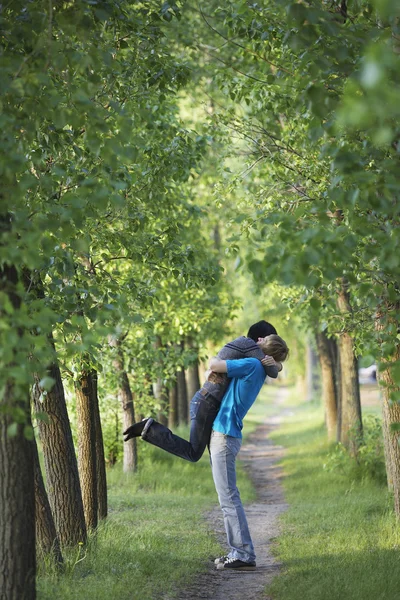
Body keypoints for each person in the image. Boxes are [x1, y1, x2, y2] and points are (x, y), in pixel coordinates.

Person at [123, 320, 281, 462]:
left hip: (208, 401)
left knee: (215, 454)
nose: (271, 346)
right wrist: (276, 364)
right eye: (270, 340)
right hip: (207, 402)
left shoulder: (245, 348)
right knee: (194, 453)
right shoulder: (251, 347)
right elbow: (273, 372)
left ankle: (149, 429)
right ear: (260, 339)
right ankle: (150, 429)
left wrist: (277, 364)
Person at [209, 336, 289, 572]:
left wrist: (222, 351)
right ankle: (237, 551)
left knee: (228, 498)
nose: (259, 338)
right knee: (227, 497)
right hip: (226, 434)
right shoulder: (259, 368)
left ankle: (243, 553)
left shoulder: (252, 365)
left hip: (224, 435)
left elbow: (215, 365)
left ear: (266, 347)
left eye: (265, 338)